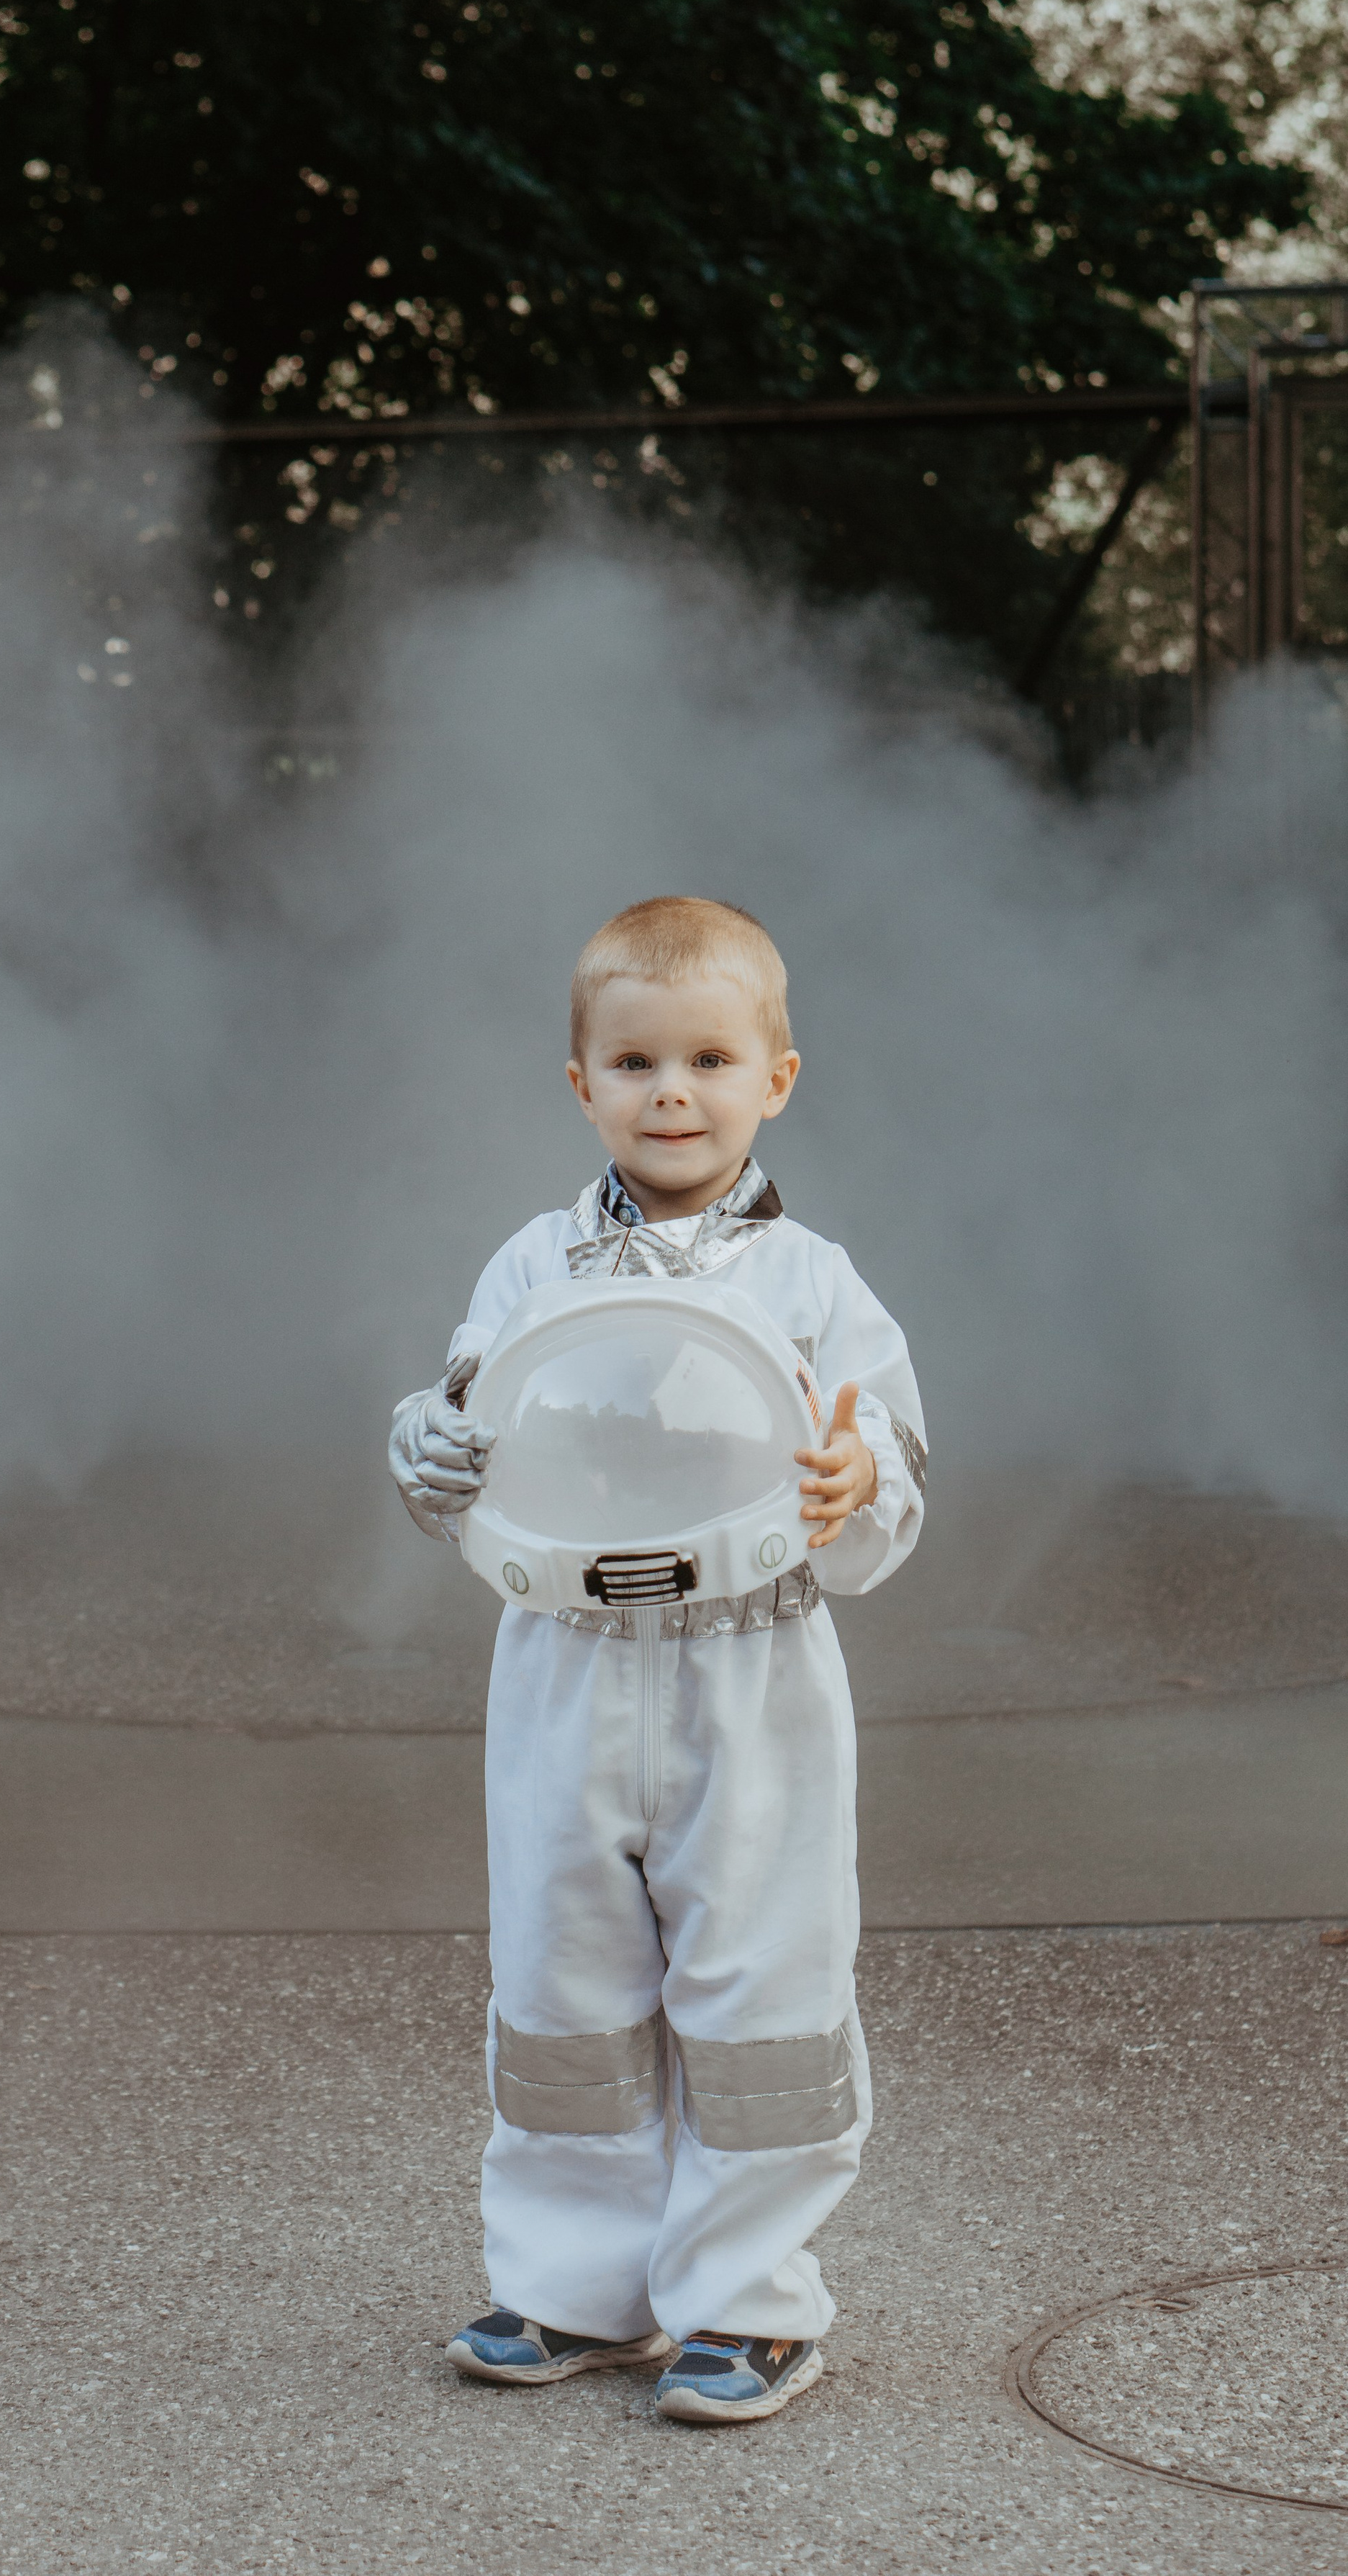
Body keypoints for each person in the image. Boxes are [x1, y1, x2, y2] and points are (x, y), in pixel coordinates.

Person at [388, 896, 925, 2427]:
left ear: (777, 1077)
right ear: (580, 1086)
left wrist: (853, 1489)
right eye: (632, 1060)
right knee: (561, 1986)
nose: (670, 1090)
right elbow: (464, 1415)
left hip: (744, 1673)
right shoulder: (531, 1263)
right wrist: (421, 1447)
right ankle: (571, 2290)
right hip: (565, 1663)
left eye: (706, 1058)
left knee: (760, 1986)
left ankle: (746, 2305)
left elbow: (883, 1456)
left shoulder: (811, 1282)